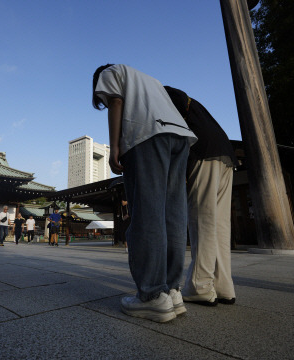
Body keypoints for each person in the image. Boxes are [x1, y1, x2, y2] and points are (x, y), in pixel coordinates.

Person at [93, 64, 197, 323]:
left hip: (147, 135)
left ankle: (151, 296)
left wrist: (114, 147)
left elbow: (116, 101)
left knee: (147, 214)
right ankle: (173, 291)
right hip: (180, 135)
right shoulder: (150, 80)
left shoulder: (111, 72)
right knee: (172, 214)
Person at [165, 86, 238, 306]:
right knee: (219, 225)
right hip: (225, 154)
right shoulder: (194, 105)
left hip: (203, 153)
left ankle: (200, 286)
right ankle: (224, 286)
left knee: (202, 222)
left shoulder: (164, 96)